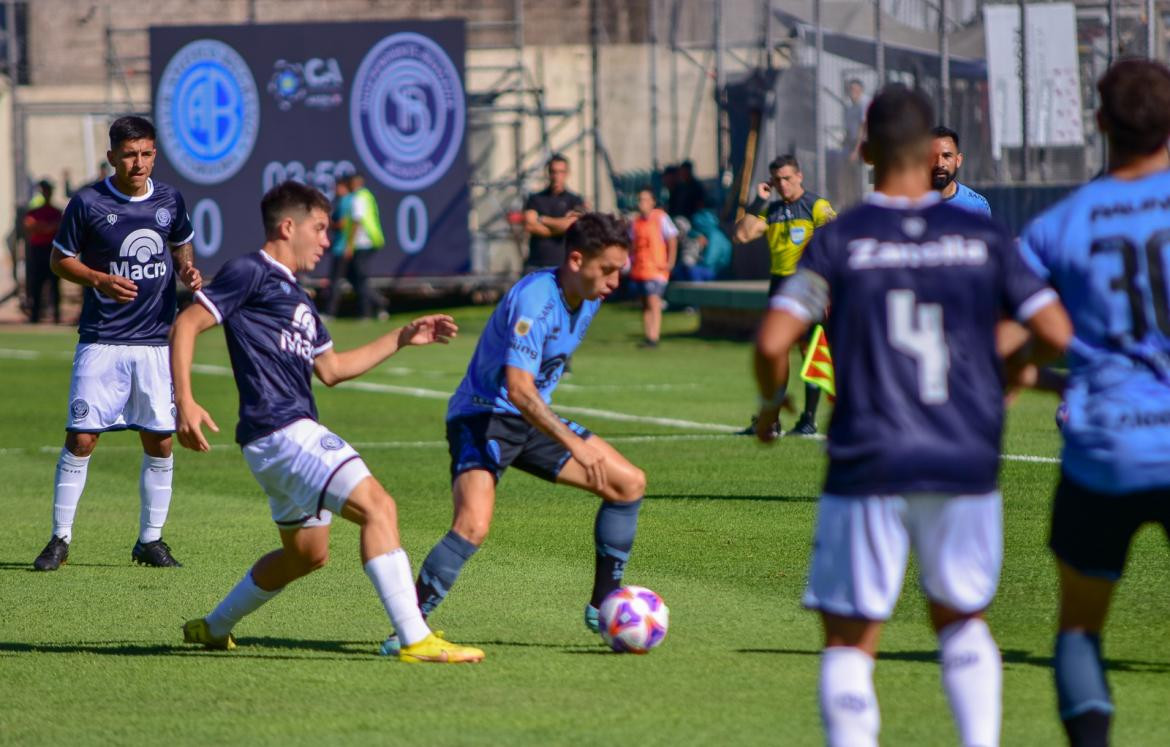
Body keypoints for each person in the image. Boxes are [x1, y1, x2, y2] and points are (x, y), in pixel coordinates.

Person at [753, 84, 1071, 747]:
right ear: (934, 152)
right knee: (961, 621)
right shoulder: (979, 234)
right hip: (964, 456)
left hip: (869, 458)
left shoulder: (841, 239)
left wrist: (769, 402)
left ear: (864, 150)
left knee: (849, 636)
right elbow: (1054, 328)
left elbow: (773, 342)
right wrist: (1006, 366)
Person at [170, 181, 483, 664]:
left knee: (306, 556)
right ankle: (414, 638)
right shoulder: (251, 270)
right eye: (319, 228)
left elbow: (332, 370)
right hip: (282, 429)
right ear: (287, 226)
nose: (326, 239)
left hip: (274, 438)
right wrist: (184, 401)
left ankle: (214, 627)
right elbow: (187, 323)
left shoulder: (299, 298)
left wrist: (401, 337)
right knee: (379, 507)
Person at [378, 213, 646, 654]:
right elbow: (520, 390)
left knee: (628, 484)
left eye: (621, 268)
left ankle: (604, 607)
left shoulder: (590, 295)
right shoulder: (534, 301)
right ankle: (408, 631)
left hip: (530, 420)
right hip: (482, 417)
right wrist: (574, 443)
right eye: (608, 270)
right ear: (576, 261)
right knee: (472, 526)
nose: (617, 281)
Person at [1014, 59, 1170, 747]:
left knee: (1080, 625)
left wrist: (1051, 380)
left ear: (1100, 123)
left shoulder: (1058, 225)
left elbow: (1002, 349)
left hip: (1104, 449)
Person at [32, 116, 202, 572]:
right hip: (103, 339)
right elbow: (59, 260)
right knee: (82, 437)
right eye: (129, 154)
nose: (138, 162)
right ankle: (60, 539)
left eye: (146, 153)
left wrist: (186, 269)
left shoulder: (170, 199)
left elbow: (182, 242)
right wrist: (98, 279)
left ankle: (151, 540)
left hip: (155, 343)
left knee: (161, 442)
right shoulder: (87, 202)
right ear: (112, 157)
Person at [734, 154, 836, 436]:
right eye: (777, 180)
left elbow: (834, 244)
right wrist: (758, 201)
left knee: (809, 350)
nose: (782, 184)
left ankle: (809, 419)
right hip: (779, 286)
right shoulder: (771, 210)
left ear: (800, 176)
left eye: (787, 178)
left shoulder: (816, 206)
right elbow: (741, 235)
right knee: (775, 352)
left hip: (808, 284)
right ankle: (774, 420)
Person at [327, 173, 385, 319]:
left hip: (361, 243)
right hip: (367, 242)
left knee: (360, 279)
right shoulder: (366, 195)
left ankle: (367, 312)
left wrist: (349, 245)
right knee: (355, 278)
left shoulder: (357, 198)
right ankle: (378, 304)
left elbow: (355, 222)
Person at [628, 186, 678, 347]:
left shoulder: (660, 218)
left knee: (653, 302)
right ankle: (648, 335)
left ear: (652, 202)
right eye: (639, 200)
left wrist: (670, 261)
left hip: (656, 268)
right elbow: (631, 245)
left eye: (644, 199)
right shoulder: (635, 222)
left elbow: (672, 239)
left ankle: (653, 337)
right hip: (640, 269)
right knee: (644, 303)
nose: (641, 203)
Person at [523, 154, 585, 272]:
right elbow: (530, 225)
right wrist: (560, 225)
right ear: (548, 173)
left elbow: (570, 225)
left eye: (561, 172)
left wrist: (542, 220)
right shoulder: (535, 199)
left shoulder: (575, 200)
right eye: (553, 172)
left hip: (563, 264)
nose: (556, 176)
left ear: (567, 173)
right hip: (536, 264)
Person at [23, 179, 63, 324]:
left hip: (52, 250)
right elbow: (30, 225)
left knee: (55, 284)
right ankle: (35, 316)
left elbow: (59, 226)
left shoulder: (56, 212)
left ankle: (56, 315)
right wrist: (48, 227)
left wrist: (44, 227)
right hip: (38, 250)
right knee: (36, 284)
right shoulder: (34, 211)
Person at [932, 126, 992, 217]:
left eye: (947, 156)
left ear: (958, 160)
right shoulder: (910, 203)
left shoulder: (977, 205)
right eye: (932, 156)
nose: (940, 163)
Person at [673, 207, 732, 282]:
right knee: (681, 270)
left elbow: (709, 261)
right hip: (711, 270)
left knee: (689, 271)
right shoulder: (708, 233)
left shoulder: (714, 236)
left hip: (717, 272)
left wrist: (695, 263)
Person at [322, 176, 352, 318]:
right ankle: (379, 304)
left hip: (342, 248)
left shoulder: (346, 201)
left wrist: (328, 224)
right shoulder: (344, 201)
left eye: (337, 187)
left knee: (335, 281)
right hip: (340, 247)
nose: (335, 190)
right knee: (356, 280)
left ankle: (330, 312)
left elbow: (344, 224)